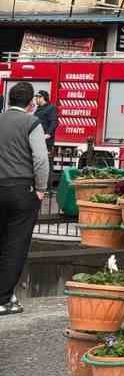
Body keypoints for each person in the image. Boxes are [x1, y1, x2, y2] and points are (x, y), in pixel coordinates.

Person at [0, 81, 51, 315]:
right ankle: (3, 299)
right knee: (15, 245)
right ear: (31, 103)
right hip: (22, 190)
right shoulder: (32, 122)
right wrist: (41, 188)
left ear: (9, 99)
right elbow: (41, 159)